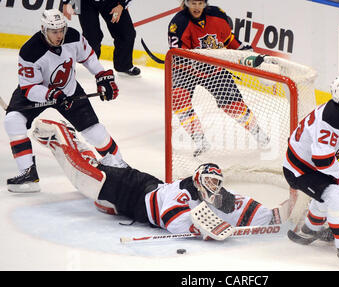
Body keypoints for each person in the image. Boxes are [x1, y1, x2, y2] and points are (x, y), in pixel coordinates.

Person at [31, 119, 285, 238]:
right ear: (197, 181)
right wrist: (199, 228)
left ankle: (69, 139)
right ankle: (59, 135)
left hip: (143, 191)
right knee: (86, 174)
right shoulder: (182, 195)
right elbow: (170, 220)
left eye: (216, 183)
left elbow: (241, 205)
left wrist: (271, 215)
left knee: (98, 172)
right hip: (131, 189)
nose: (213, 187)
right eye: (208, 182)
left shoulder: (216, 195)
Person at [4, 9, 125, 193]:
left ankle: (121, 167)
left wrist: (101, 76)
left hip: (68, 90)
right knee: (13, 120)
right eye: (54, 31)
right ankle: (28, 174)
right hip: (38, 90)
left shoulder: (73, 37)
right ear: (44, 29)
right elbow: (29, 88)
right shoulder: (30, 51)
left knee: (94, 131)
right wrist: (51, 95)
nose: (59, 35)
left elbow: (89, 57)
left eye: (61, 30)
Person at [283, 75, 339, 268]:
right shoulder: (331, 121)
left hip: (312, 165)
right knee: (337, 194)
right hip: (299, 170)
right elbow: (322, 160)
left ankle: (309, 230)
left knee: (327, 193)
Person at [167, 0, 269, 157]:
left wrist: (247, 52)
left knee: (234, 106)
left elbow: (230, 42)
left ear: (205, 3)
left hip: (214, 68)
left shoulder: (218, 16)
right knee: (179, 99)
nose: (196, 7)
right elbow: (177, 55)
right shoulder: (178, 23)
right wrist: (198, 59)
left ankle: (258, 133)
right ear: (186, 3)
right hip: (185, 70)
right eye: (193, 3)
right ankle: (200, 140)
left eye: (200, 3)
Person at [62, 0, 141, 77]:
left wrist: (121, 5)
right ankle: (91, 64)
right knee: (92, 37)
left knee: (126, 33)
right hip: (85, 3)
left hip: (112, 2)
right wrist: (66, 2)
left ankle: (123, 66)